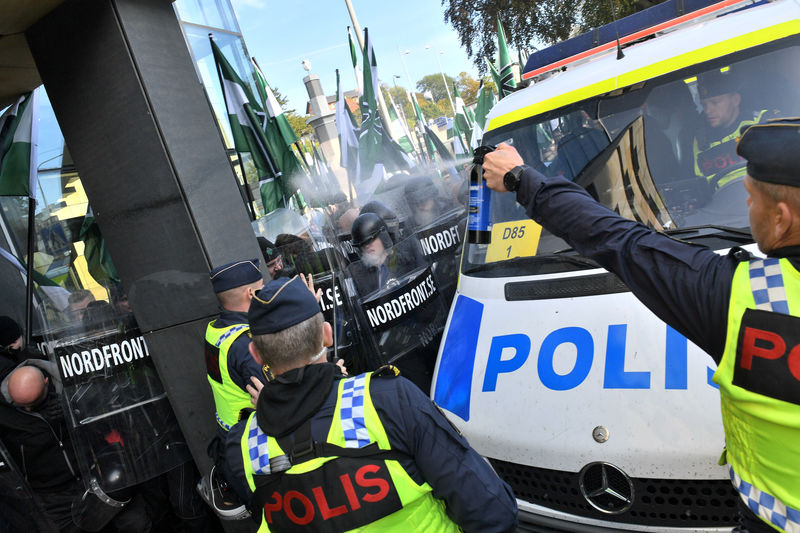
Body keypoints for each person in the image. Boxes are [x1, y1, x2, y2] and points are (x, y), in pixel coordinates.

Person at [481, 118, 800, 533]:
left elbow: (618, 239)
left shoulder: (744, 299)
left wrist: (522, 180)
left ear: (781, 218)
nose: (747, 208)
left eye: (750, 197)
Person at [222, 275, 518, 532]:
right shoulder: (386, 400)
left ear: (256, 355)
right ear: (327, 335)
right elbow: (491, 510)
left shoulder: (242, 449)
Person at [692, 68, 764, 190]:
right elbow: (702, 184)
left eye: (715, 103)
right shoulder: (701, 140)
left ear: (735, 100)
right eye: (704, 105)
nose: (708, 111)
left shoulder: (761, 123)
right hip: (723, 205)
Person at [347, 212, 424, 297]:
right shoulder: (361, 278)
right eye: (362, 244)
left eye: (370, 240)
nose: (367, 246)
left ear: (383, 237)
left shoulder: (406, 261)